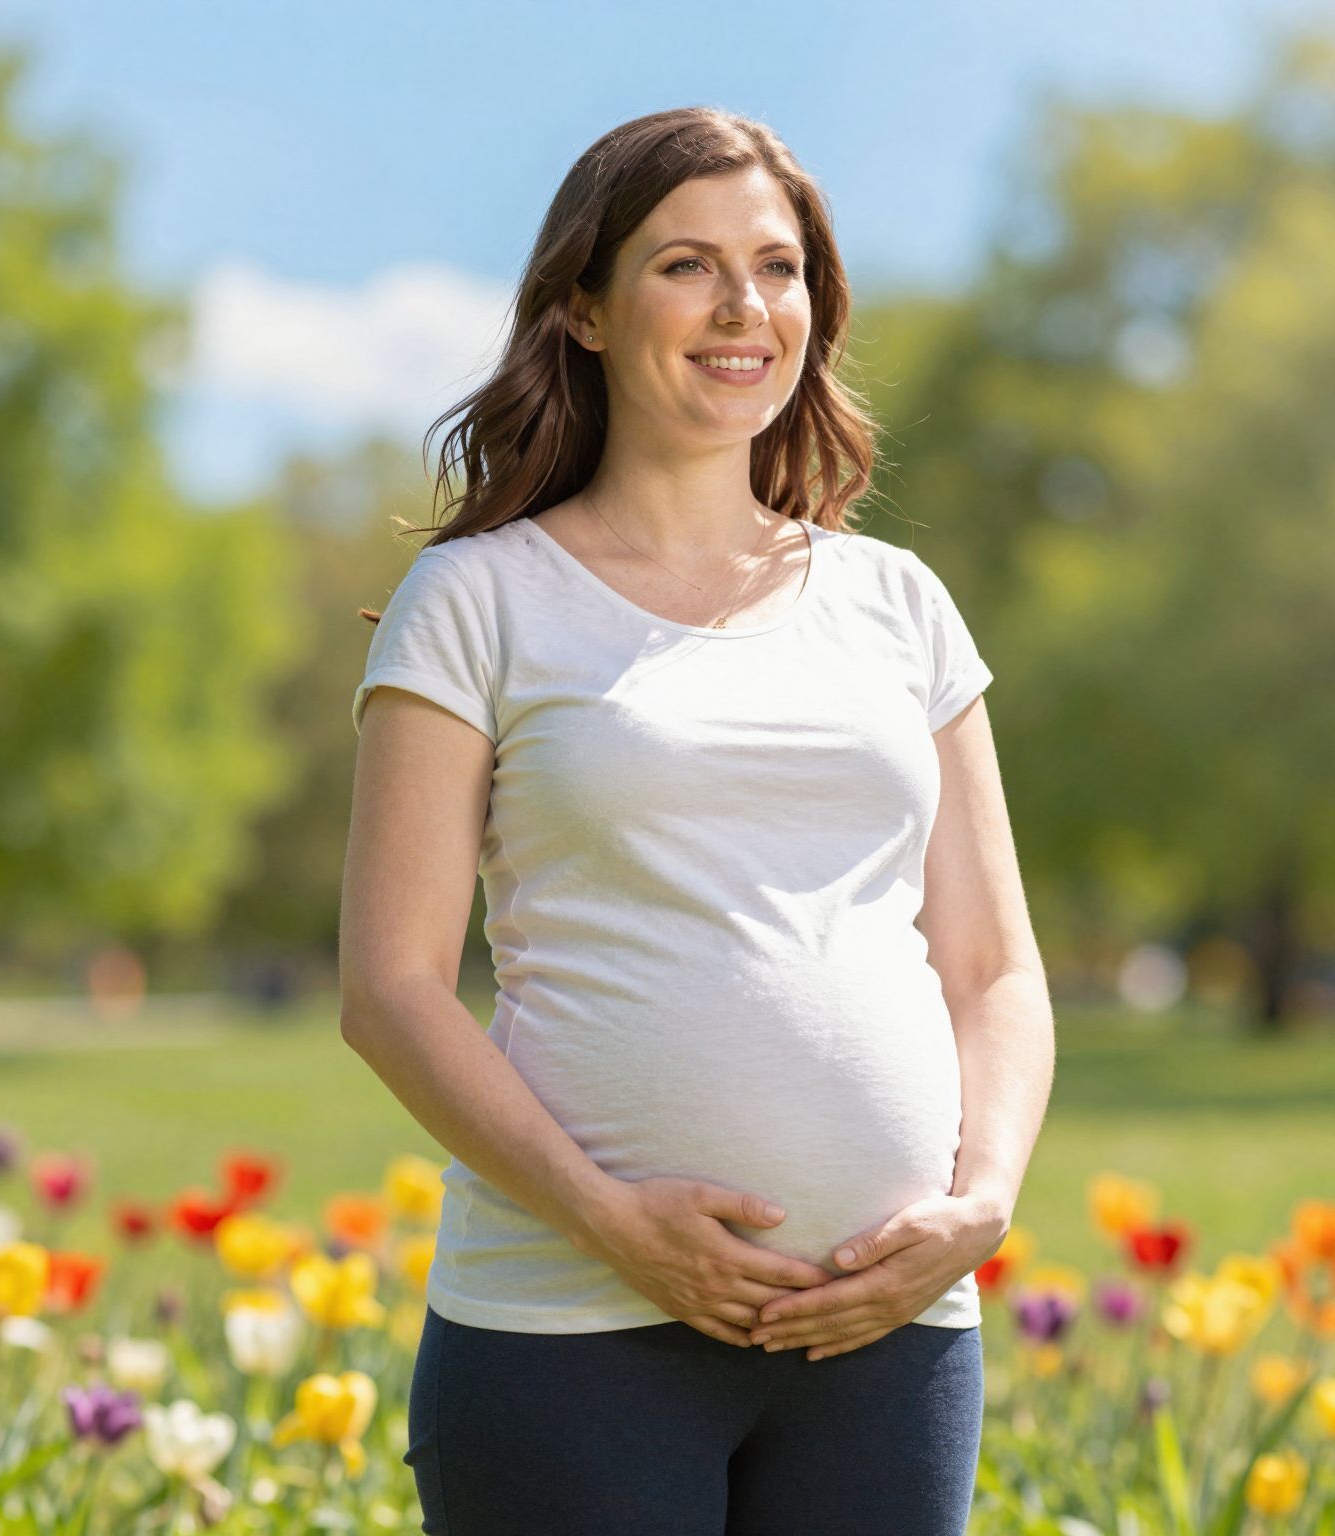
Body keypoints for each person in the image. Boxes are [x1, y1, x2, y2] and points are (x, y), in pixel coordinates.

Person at [339, 106, 1055, 1536]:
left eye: (779, 267)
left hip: (888, 1338)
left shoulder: (898, 603)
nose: (745, 307)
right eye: (685, 265)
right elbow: (391, 990)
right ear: (584, 312)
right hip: (568, 1332)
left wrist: (978, 1208)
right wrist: (610, 1224)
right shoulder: (480, 599)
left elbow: (995, 970)